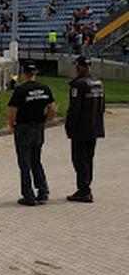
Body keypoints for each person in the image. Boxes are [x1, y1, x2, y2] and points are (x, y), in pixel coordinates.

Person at [8, 60, 56, 206]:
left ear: (23, 74)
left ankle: (28, 195)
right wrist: (44, 121)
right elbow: (52, 109)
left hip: (23, 128)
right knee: (36, 160)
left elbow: (12, 111)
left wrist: (12, 125)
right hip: (38, 127)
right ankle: (42, 191)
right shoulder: (44, 88)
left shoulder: (20, 90)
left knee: (24, 163)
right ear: (35, 73)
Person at [65, 56, 105, 203]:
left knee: (79, 160)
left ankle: (84, 190)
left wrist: (69, 125)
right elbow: (102, 107)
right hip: (94, 127)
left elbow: (74, 109)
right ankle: (86, 186)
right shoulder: (98, 82)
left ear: (79, 68)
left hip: (81, 129)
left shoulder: (78, 85)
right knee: (89, 159)